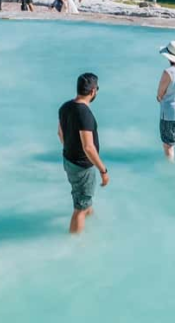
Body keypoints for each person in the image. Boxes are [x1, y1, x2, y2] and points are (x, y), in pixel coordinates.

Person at [58, 73, 109, 234]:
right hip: (82, 167)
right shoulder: (85, 114)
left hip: (68, 161)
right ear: (93, 91)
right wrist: (103, 170)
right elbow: (88, 147)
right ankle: (76, 246)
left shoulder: (65, 107)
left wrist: (71, 150)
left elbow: (60, 134)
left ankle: (93, 221)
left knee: (84, 200)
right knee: (79, 209)